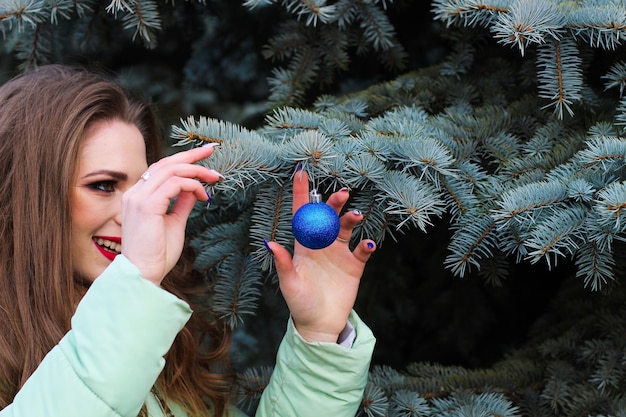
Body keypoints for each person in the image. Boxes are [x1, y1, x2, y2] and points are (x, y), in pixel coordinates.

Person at [0, 64, 377, 417]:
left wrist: (319, 340)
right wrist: (136, 282)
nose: (135, 212)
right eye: (103, 185)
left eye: (147, 187)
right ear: (26, 196)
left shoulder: (167, 352)